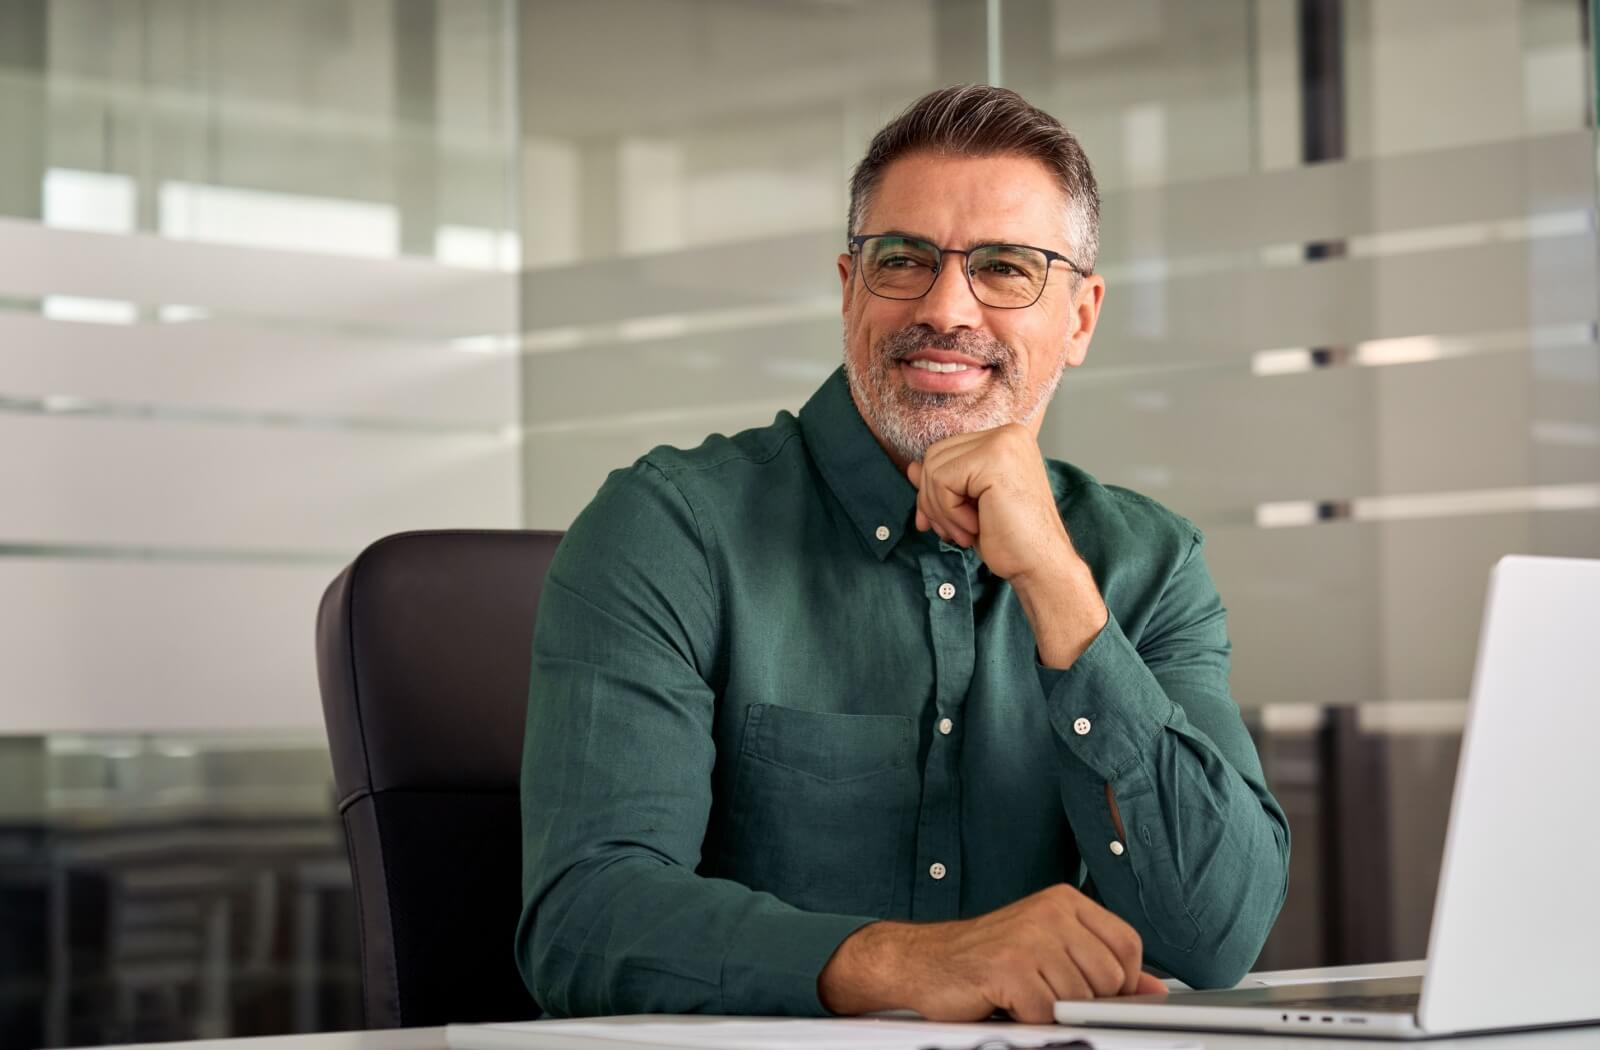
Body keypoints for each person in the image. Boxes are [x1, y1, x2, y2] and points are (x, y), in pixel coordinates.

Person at [515, 85, 1290, 1025]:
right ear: (850, 290)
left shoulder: (1148, 563)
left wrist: (1056, 584)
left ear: (1080, 319)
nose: (947, 308)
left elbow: (1216, 935)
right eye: (903, 261)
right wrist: (906, 963)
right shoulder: (671, 527)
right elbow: (584, 918)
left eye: (1006, 268)